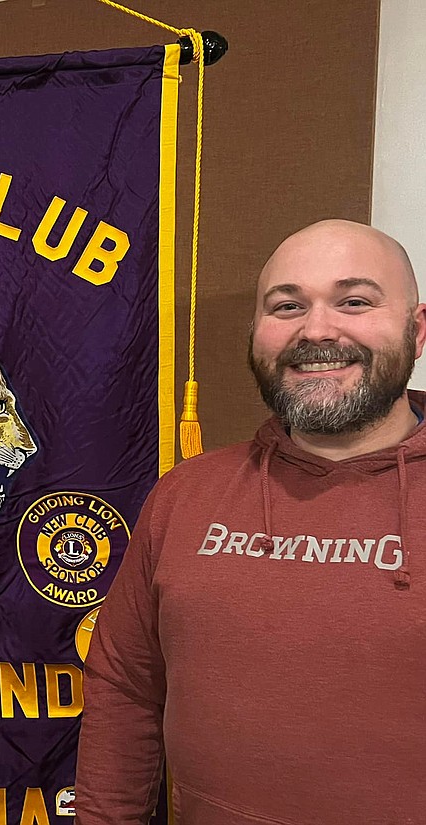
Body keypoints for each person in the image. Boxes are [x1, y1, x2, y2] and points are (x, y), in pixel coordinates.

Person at [74, 219, 426, 824]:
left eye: (355, 301)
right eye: (287, 306)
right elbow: (125, 690)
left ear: (417, 331)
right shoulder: (184, 496)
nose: (316, 329)